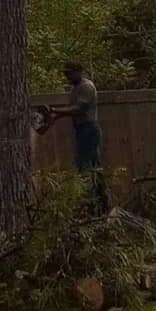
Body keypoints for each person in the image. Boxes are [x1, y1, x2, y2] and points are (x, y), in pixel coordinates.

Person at [48, 63, 108, 209]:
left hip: (89, 129)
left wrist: (56, 110)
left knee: (85, 166)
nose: (66, 76)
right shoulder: (75, 88)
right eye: (65, 73)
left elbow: (79, 109)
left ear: (79, 72)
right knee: (92, 165)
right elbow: (71, 110)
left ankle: (91, 202)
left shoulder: (86, 86)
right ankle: (101, 202)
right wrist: (55, 117)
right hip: (81, 129)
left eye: (69, 73)